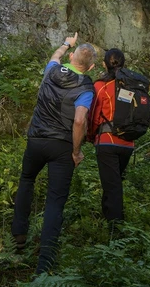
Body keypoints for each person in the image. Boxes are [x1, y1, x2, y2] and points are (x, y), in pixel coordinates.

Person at [12, 32, 95, 274]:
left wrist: (66, 43)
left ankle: (18, 235)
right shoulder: (86, 86)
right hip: (62, 148)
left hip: (36, 139)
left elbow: (55, 55)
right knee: (55, 201)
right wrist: (77, 151)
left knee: (27, 179)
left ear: (71, 56)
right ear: (90, 67)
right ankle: (45, 263)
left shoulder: (52, 70)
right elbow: (80, 120)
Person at [87, 48, 135, 230]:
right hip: (128, 143)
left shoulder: (100, 86)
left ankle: (116, 232)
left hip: (107, 141)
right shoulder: (131, 85)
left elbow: (93, 116)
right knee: (113, 183)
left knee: (112, 186)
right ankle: (108, 220)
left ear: (104, 64)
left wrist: (91, 136)